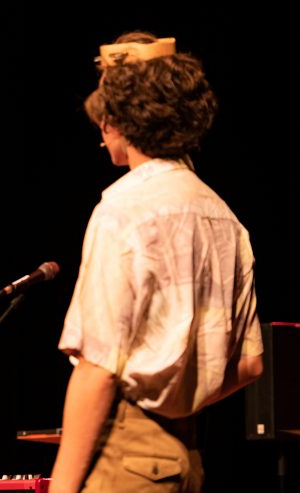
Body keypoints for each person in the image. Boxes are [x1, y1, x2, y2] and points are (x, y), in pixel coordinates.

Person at [49, 32, 264, 492]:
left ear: (119, 121)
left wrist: (62, 487)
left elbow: (98, 369)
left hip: (126, 455)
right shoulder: (224, 218)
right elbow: (249, 365)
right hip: (186, 459)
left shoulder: (123, 210)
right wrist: (179, 399)